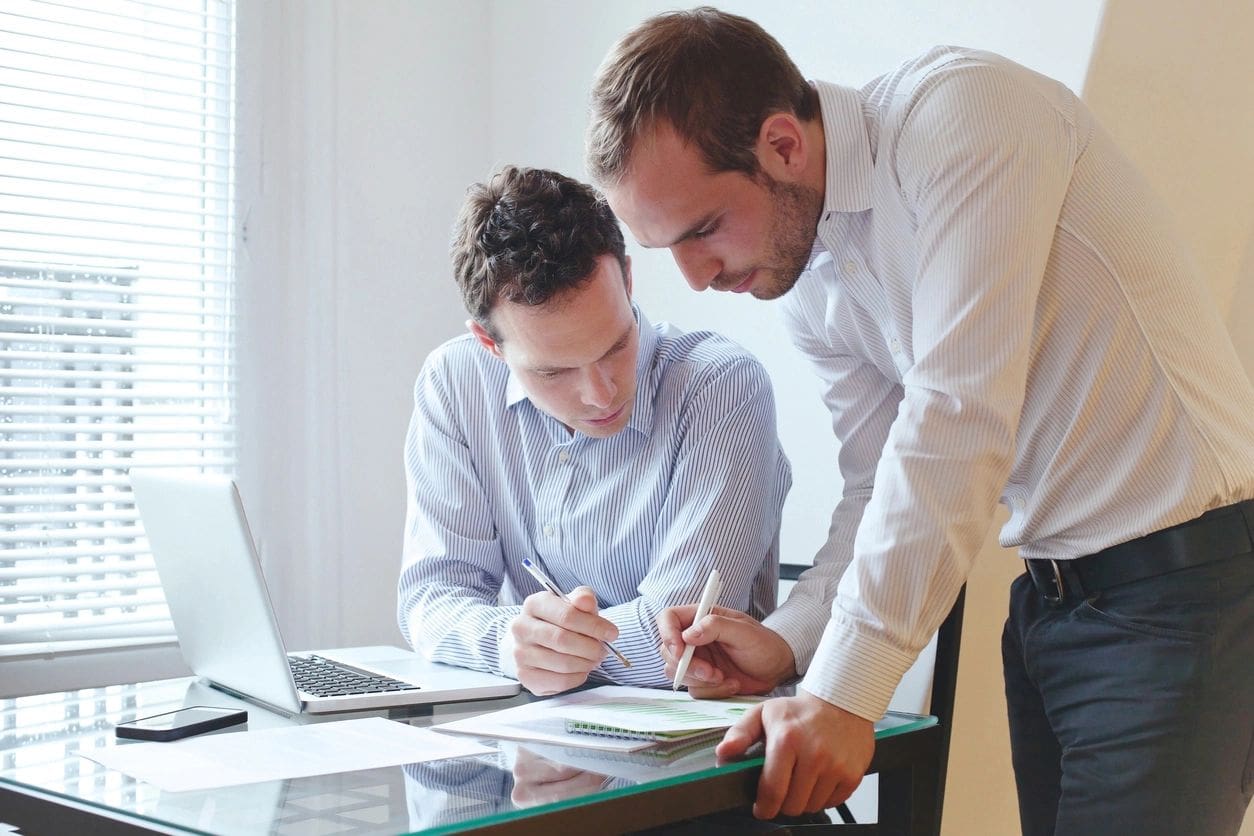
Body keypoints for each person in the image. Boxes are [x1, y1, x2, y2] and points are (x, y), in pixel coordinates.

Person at [587, 8, 1254, 835]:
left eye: (703, 230)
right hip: (1048, 601)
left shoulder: (967, 118)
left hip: (1183, 587)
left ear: (784, 145)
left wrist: (843, 693)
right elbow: (877, 488)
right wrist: (794, 642)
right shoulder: (814, 287)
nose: (694, 279)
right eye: (667, 252)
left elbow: (958, 415)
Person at [396, 165, 791, 697]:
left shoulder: (719, 387)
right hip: (531, 743)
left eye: (615, 347)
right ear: (489, 344)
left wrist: (547, 649)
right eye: (553, 371)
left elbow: (682, 651)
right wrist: (509, 644)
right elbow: (430, 599)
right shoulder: (456, 382)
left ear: (627, 280)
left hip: (699, 748)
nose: (600, 394)